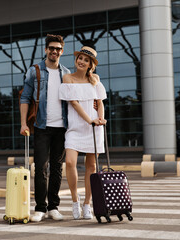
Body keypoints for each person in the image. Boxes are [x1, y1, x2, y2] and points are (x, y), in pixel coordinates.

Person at [20, 34, 71, 222]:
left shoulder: (66, 73)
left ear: (62, 51)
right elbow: (25, 98)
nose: (55, 51)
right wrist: (24, 123)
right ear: (46, 50)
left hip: (62, 128)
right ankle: (40, 208)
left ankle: (53, 207)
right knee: (40, 167)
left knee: (57, 168)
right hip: (41, 126)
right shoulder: (35, 71)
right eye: (51, 48)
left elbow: (75, 99)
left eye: (58, 49)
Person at [59, 46, 107, 220]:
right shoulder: (68, 78)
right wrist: (90, 120)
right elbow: (74, 103)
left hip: (94, 127)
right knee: (70, 162)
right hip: (77, 127)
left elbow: (100, 103)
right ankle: (74, 201)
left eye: (86, 60)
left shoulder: (95, 79)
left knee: (91, 167)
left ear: (90, 65)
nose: (81, 61)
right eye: (80, 58)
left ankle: (87, 204)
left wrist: (100, 118)